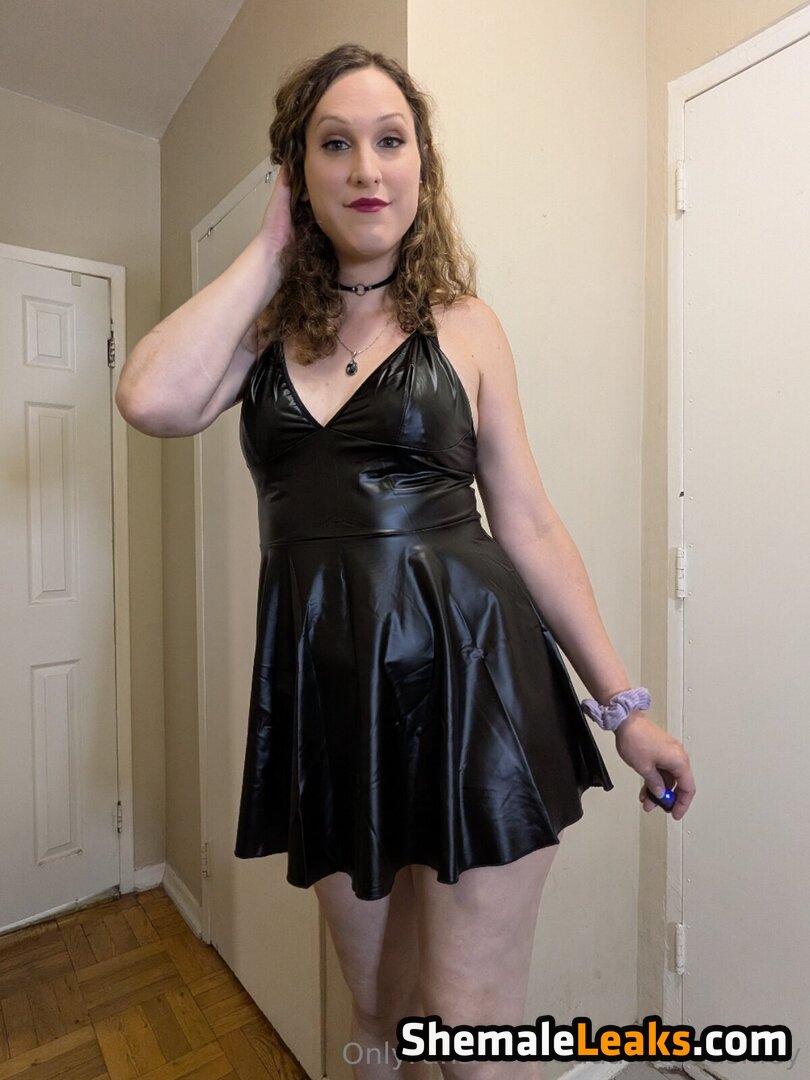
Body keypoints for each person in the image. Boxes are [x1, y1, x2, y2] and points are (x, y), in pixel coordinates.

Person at [117, 42, 695, 1080]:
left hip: (480, 691)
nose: (366, 169)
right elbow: (150, 398)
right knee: (379, 1016)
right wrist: (269, 247)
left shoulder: (465, 326)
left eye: (390, 141)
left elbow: (529, 524)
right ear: (297, 173)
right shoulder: (262, 333)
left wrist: (626, 710)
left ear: (423, 165)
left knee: (470, 1031)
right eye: (334, 145)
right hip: (334, 707)